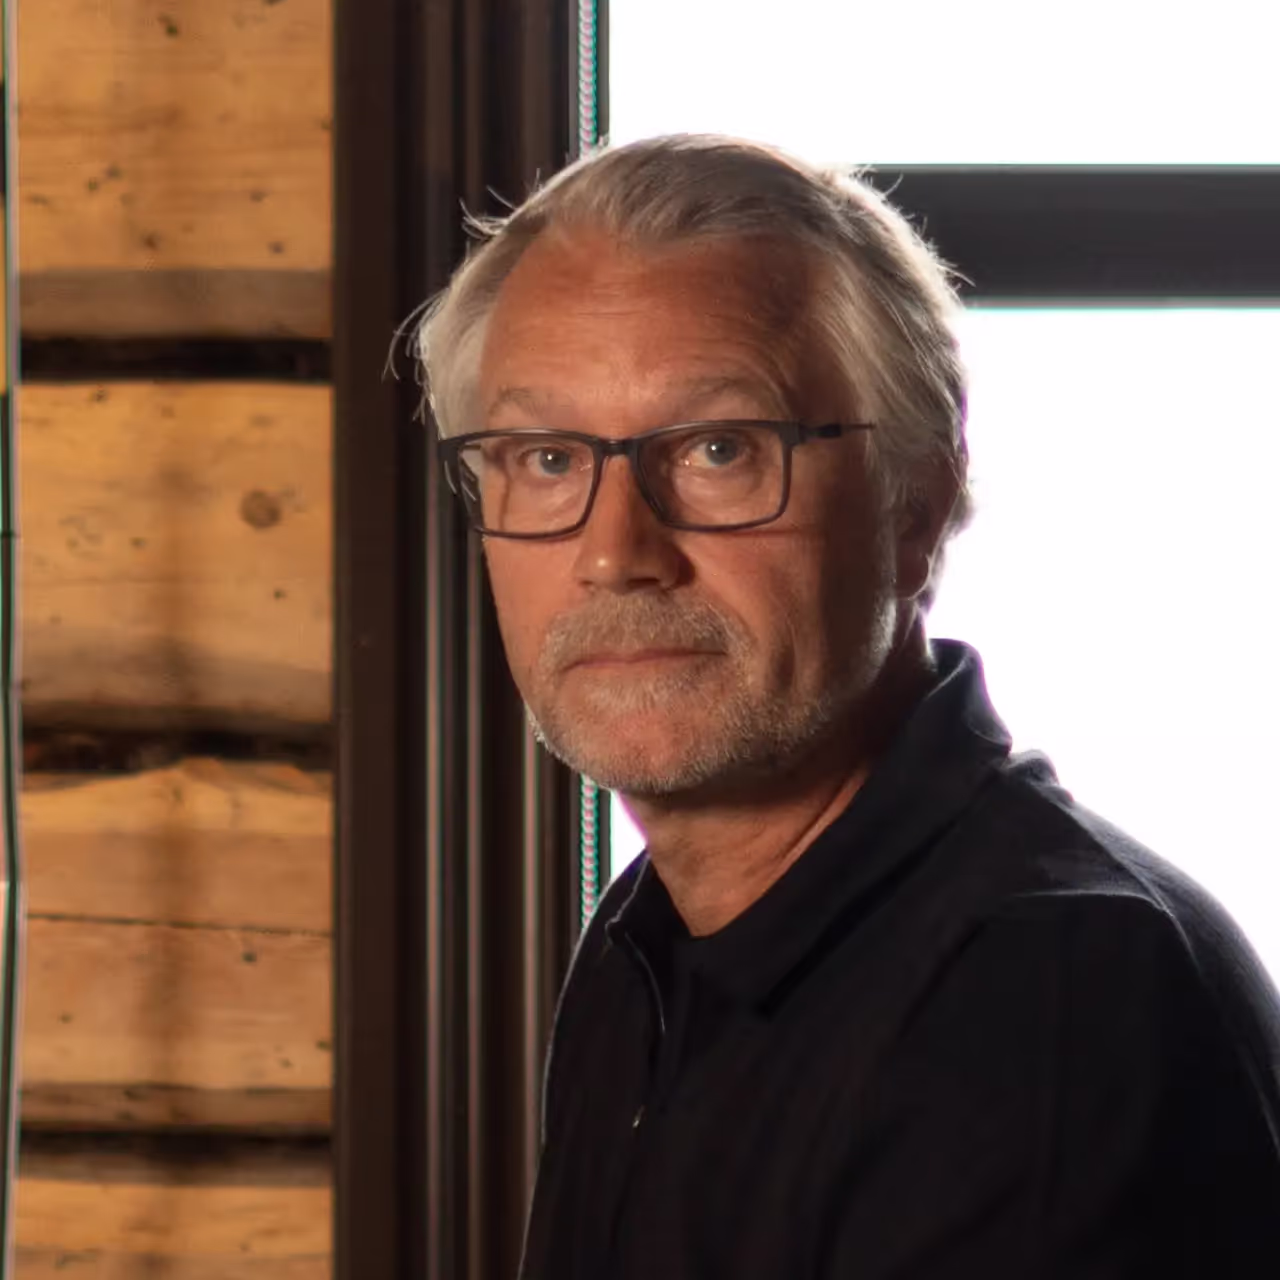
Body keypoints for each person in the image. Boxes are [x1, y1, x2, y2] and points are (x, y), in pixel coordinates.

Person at [417, 135, 1280, 1277]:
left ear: (915, 506)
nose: (614, 553)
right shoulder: (651, 943)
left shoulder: (1046, 994)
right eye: (544, 459)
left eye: (719, 449)